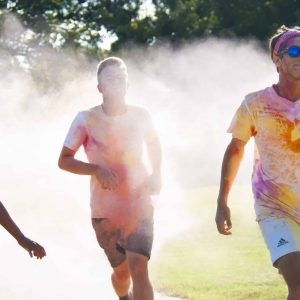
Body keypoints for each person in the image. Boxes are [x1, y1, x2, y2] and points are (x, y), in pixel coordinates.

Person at [58, 57, 161, 300]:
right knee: (123, 273)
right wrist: (96, 170)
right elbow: (64, 160)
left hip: (139, 203)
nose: (117, 83)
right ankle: (123, 297)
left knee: (139, 267)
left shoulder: (141, 115)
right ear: (99, 87)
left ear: (128, 84)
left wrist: (157, 173)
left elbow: (154, 144)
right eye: (110, 79)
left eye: (121, 78)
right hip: (105, 211)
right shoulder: (85, 119)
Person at [215, 25, 300, 300]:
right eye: (295, 51)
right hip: (275, 207)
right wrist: (221, 201)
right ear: (278, 59)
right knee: (298, 281)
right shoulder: (255, 103)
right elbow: (235, 149)